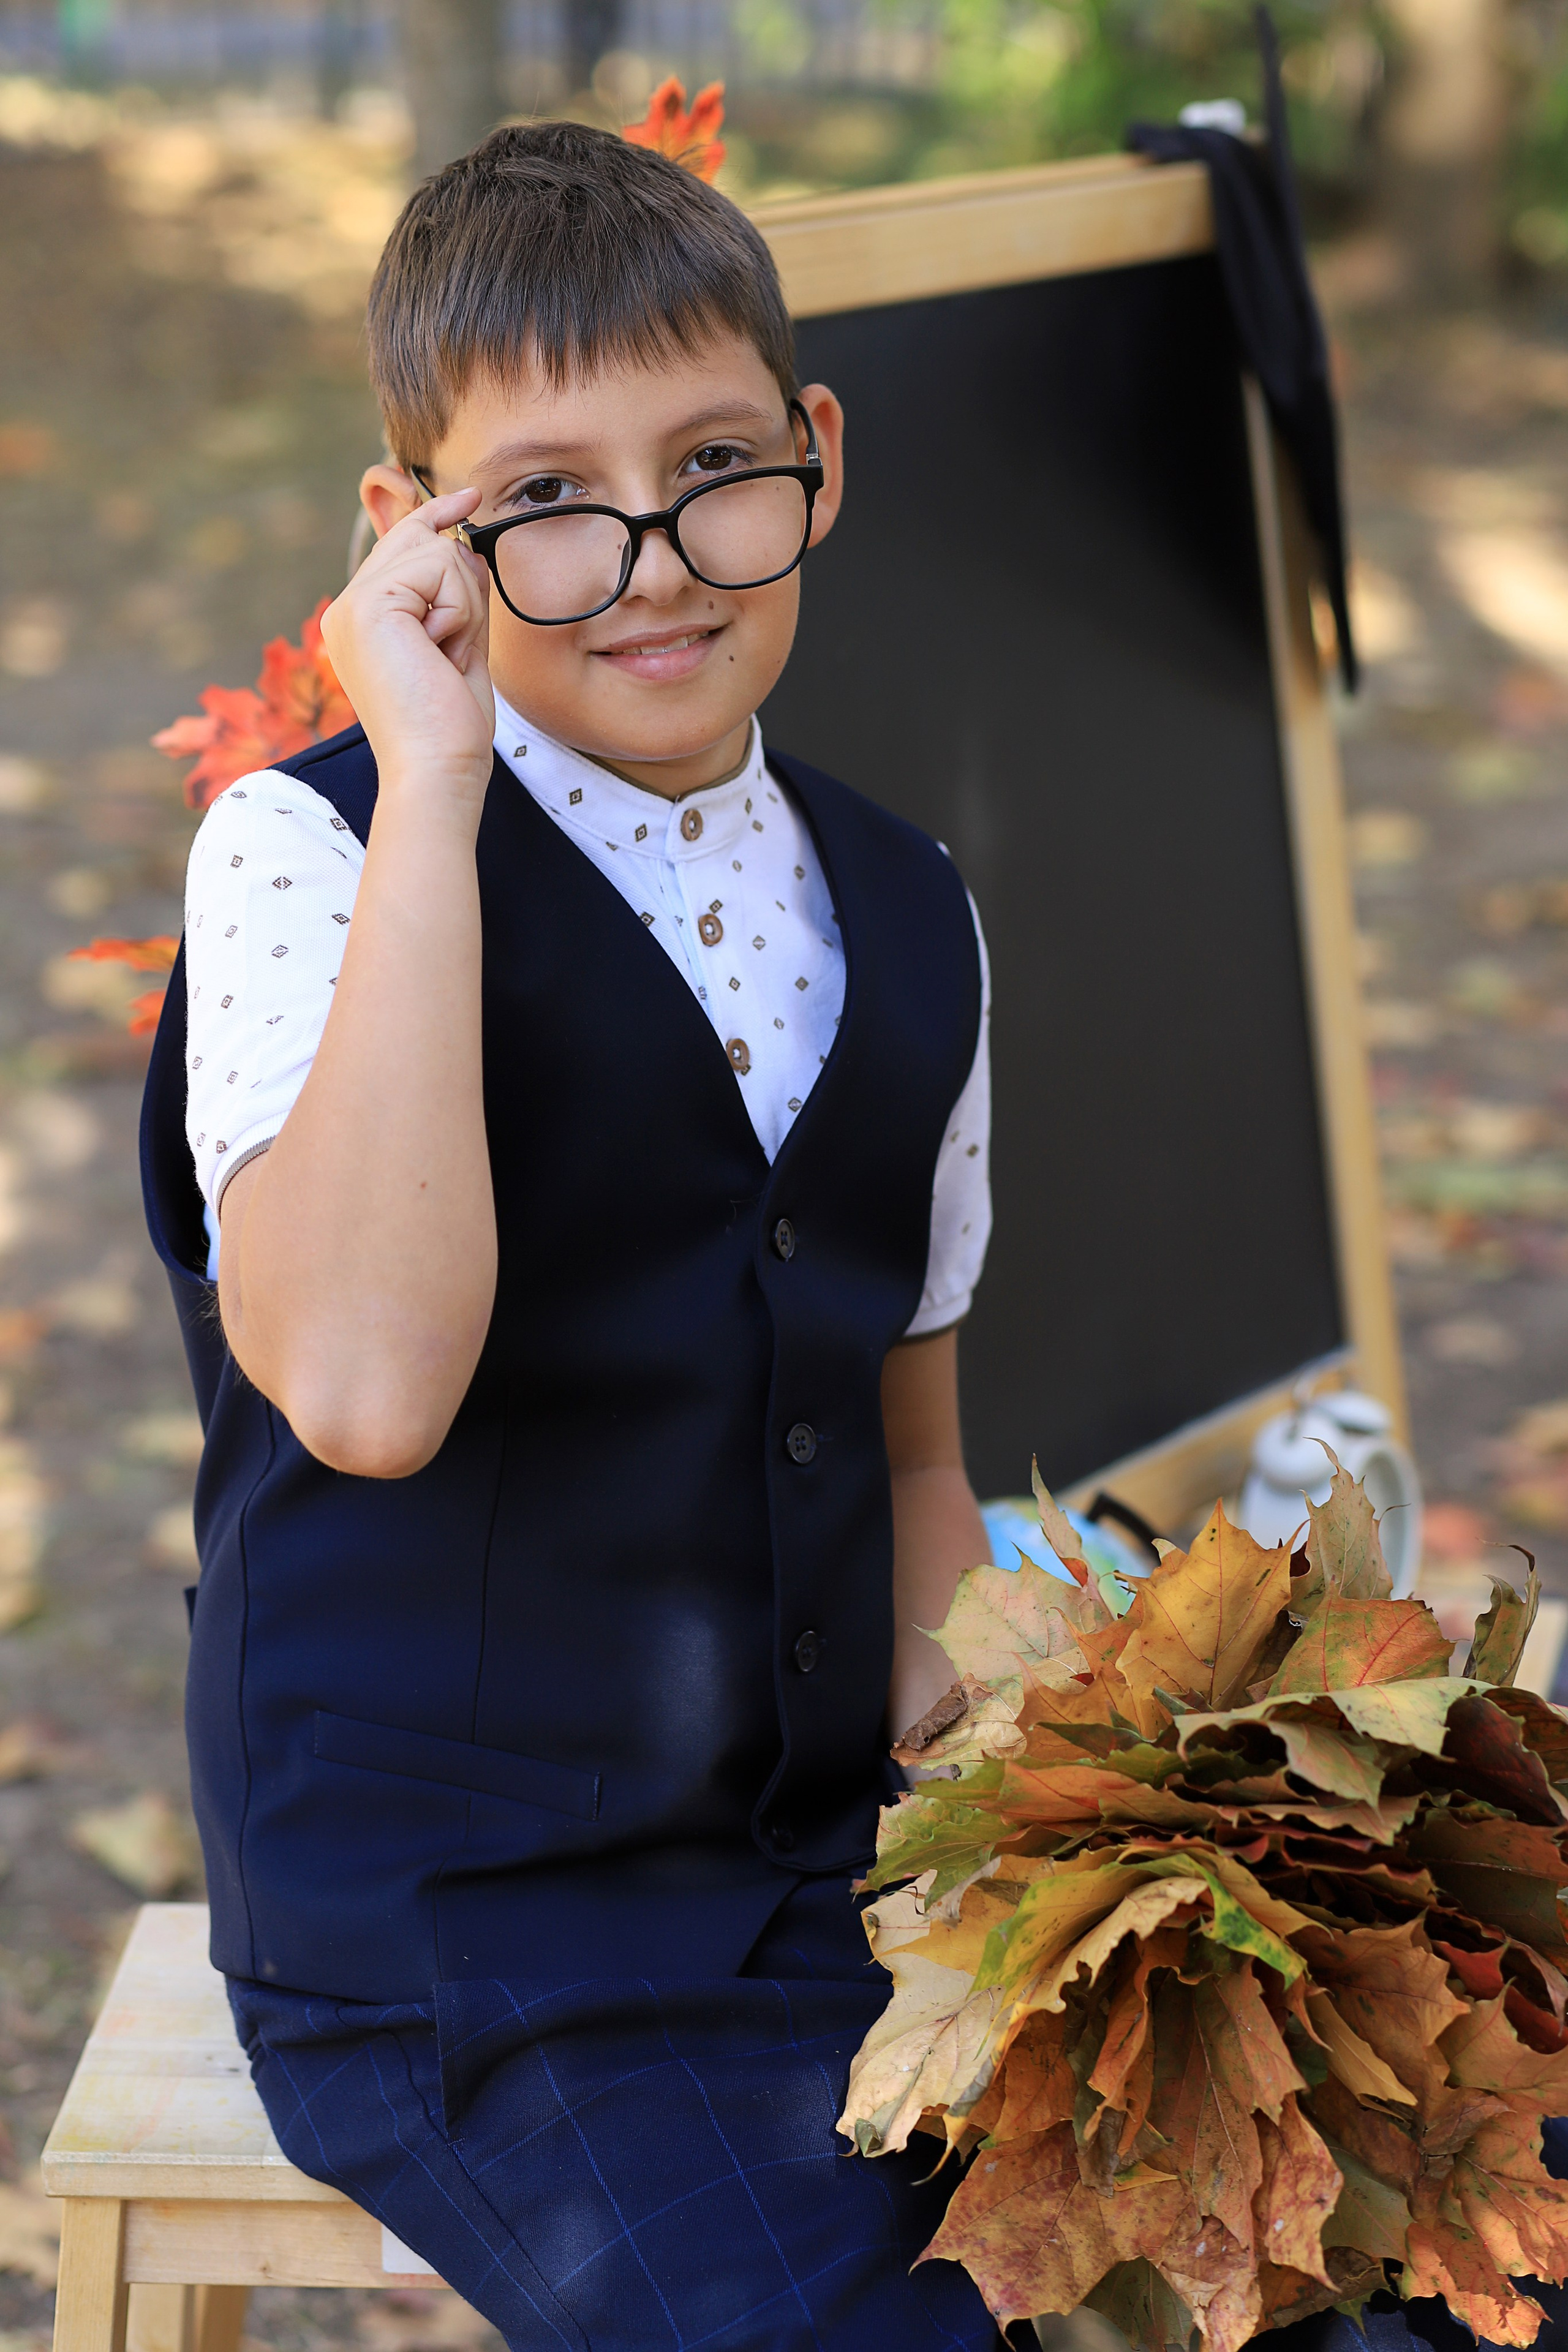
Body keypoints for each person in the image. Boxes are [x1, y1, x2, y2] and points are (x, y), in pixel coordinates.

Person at [141, 118, 1000, 2352]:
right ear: (406, 535)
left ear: (815, 453)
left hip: (821, 1880)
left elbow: (911, 1447)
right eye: (537, 498)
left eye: (714, 460)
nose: (647, 558)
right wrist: (425, 778)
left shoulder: (910, 908)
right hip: (463, 1936)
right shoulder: (309, 859)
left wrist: (989, 1740)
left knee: (1406, 2224)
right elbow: (364, 1387)